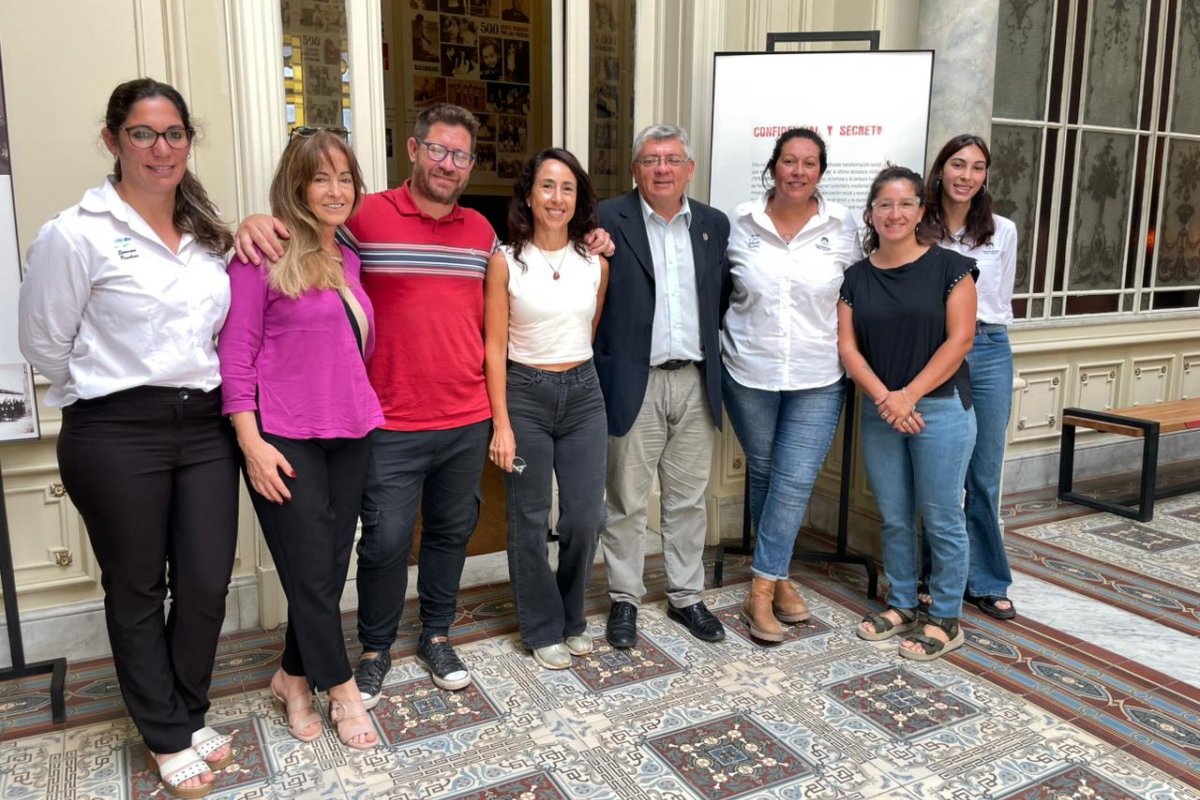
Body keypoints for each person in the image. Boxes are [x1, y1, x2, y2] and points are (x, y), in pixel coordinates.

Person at [234, 104, 612, 705]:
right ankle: (376, 647)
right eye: (437, 150)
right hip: (388, 418)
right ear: (413, 150)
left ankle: (437, 634)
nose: (448, 164)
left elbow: (524, 295)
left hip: (465, 415)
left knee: (450, 533)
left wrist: (593, 236)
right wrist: (256, 221)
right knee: (384, 541)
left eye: (460, 155)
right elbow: (306, 231)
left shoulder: (482, 233)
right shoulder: (363, 216)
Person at [18, 78, 238, 797]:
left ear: (188, 142)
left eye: (174, 133)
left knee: (205, 581)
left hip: (203, 426)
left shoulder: (208, 235)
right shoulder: (76, 233)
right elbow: (44, 345)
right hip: (115, 432)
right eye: (143, 133)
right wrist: (113, 386)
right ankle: (167, 731)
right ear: (112, 140)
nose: (160, 148)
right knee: (138, 588)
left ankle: (188, 709)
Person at [218, 129, 382, 749]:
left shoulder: (349, 256)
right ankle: (340, 689)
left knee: (326, 570)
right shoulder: (260, 255)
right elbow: (235, 356)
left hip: (352, 428)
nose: (336, 190)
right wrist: (250, 443)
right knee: (311, 574)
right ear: (297, 185)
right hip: (283, 437)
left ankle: (291, 677)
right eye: (321, 178)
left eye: (345, 178)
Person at [595, 124, 731, 648]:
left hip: (696, 379)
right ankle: (624, 599)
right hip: (634, 380)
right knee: (627, 500)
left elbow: (721, 298)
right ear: (635, 169)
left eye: (672, 159)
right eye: (651, 160)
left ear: (689, 169)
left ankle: (686, 596)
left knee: (687, 499)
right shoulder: (607, 219)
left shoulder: (713, 225)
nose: (662, 169)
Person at [720, 129, 858, 642]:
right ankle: (778, 579)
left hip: (818, 373)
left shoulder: (842, 226)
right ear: (773, 165)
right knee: (766, 473)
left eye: (809, 163)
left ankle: (758, 591)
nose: (798, 171)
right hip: (748, 369)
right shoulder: (739, 221)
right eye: (789, 161)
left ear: (821, 171)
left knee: (794, 480)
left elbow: (860, 293)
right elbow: (719, 289)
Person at [837, 165, 978, 662]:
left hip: (939, 410)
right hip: (883, 412)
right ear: (871, 213)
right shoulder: (856, 277)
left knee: (942, 517)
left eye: (905, 204)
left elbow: (960, 341)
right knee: (895, 517)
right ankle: (901, 604)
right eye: (884, 205)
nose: (894, 214)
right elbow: (849, 349)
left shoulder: (951, 268)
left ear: (921, 211)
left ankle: (946, 618)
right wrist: (888, 400)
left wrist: (908, 396)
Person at [484, 148, 609, 669]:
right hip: (525, 393)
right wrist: (501, 423)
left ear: (578, 199)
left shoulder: (596, 262)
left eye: (567, 188)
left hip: (584, 394)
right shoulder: (505, 261)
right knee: (530, 518)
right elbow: (494, 346)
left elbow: (587, 331)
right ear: (530, 196)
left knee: (584, 517)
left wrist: (572, 375)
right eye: (547, 187)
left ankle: (572, 614)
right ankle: (541, 627)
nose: (557, 198)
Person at [924, 134, 1019, 621]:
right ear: (941, 169)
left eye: (978, 167)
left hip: (987, 348)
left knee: (983, 473)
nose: (966, 176)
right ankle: (934, 575)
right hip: (934, 350)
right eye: (958, 165)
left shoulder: (1002, 230)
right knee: (939, 472)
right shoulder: (920, 226)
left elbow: (999, 300)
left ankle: (985, 580)